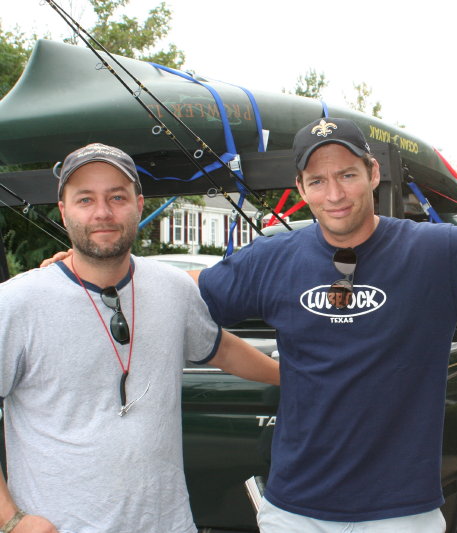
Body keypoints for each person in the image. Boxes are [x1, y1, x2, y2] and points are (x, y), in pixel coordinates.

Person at [193, 117, 457, 532]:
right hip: (294, 512)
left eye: (347, 175)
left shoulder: (432, 253)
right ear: (301, 189)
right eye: (317, 181)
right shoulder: (270, 259)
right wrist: (274, 371)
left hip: (400, 515)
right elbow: (185, 295)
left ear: (373, 173)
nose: (334, 194)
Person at [0, 143, 280, 533]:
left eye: (117, 197)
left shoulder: (172, 287)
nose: (102, 212)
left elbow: (221, 348)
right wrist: (12, 519)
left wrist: (296, 377)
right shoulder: (15, 303)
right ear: (63, 211)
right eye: (85, 199)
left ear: (139, 204)